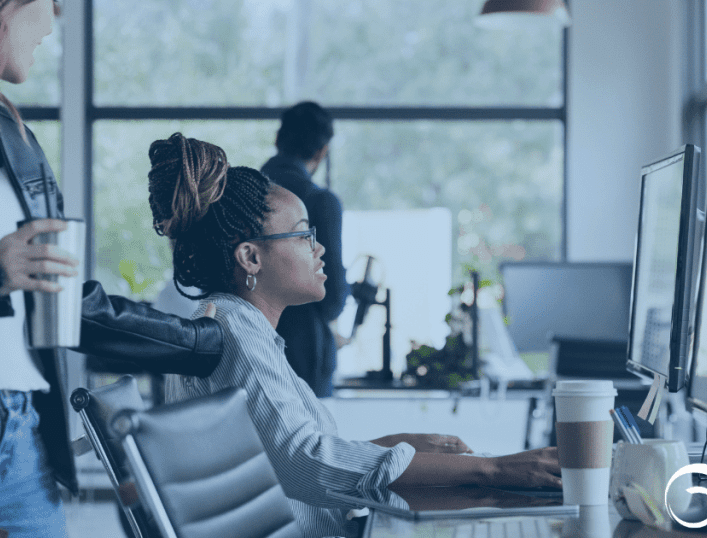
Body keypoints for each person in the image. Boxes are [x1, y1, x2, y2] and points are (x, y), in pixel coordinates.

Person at [0, 2, 222, 536]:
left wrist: (203, 342)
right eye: (47, 5)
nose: (52, 25)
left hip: (25, 434)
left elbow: (67, 300)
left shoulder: (11, 132)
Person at [152, 133, 561, 538]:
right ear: (251, 257)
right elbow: (307, 462)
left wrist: (396, 447)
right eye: (303, 235)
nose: (320, 249)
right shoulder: (234, 333)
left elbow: (288, 452)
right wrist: (496, 468)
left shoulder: (242, 328)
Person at [261, 101, 347, 397]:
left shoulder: (241, 193)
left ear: (278, 140)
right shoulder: (320, 202)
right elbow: (332, 297)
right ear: (322, 151)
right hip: (304, 355)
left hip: (249, 344)